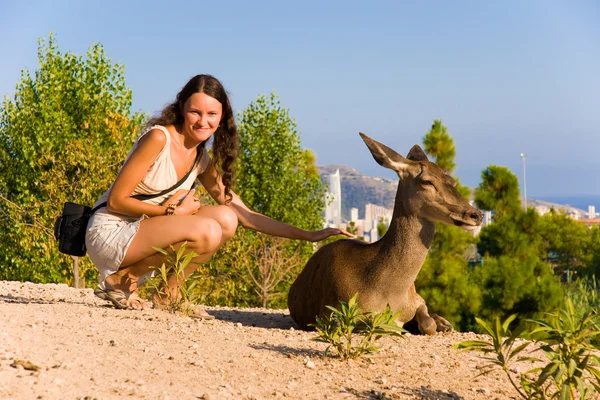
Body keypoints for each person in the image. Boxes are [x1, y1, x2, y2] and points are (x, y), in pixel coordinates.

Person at [85, 74, 351, 316]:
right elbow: (117, 201)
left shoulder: (200, 158)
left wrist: (309, 235)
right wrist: (172, 212)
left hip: (145, 230)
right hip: (111, 231)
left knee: (226, 218)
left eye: (212, 113)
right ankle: (122, 280)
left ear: (222, 117)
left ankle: (167, 295)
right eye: (195, 112)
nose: (203, 121)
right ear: (181, 110)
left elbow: (246, 215)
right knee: (208, 230)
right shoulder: (159, 139)